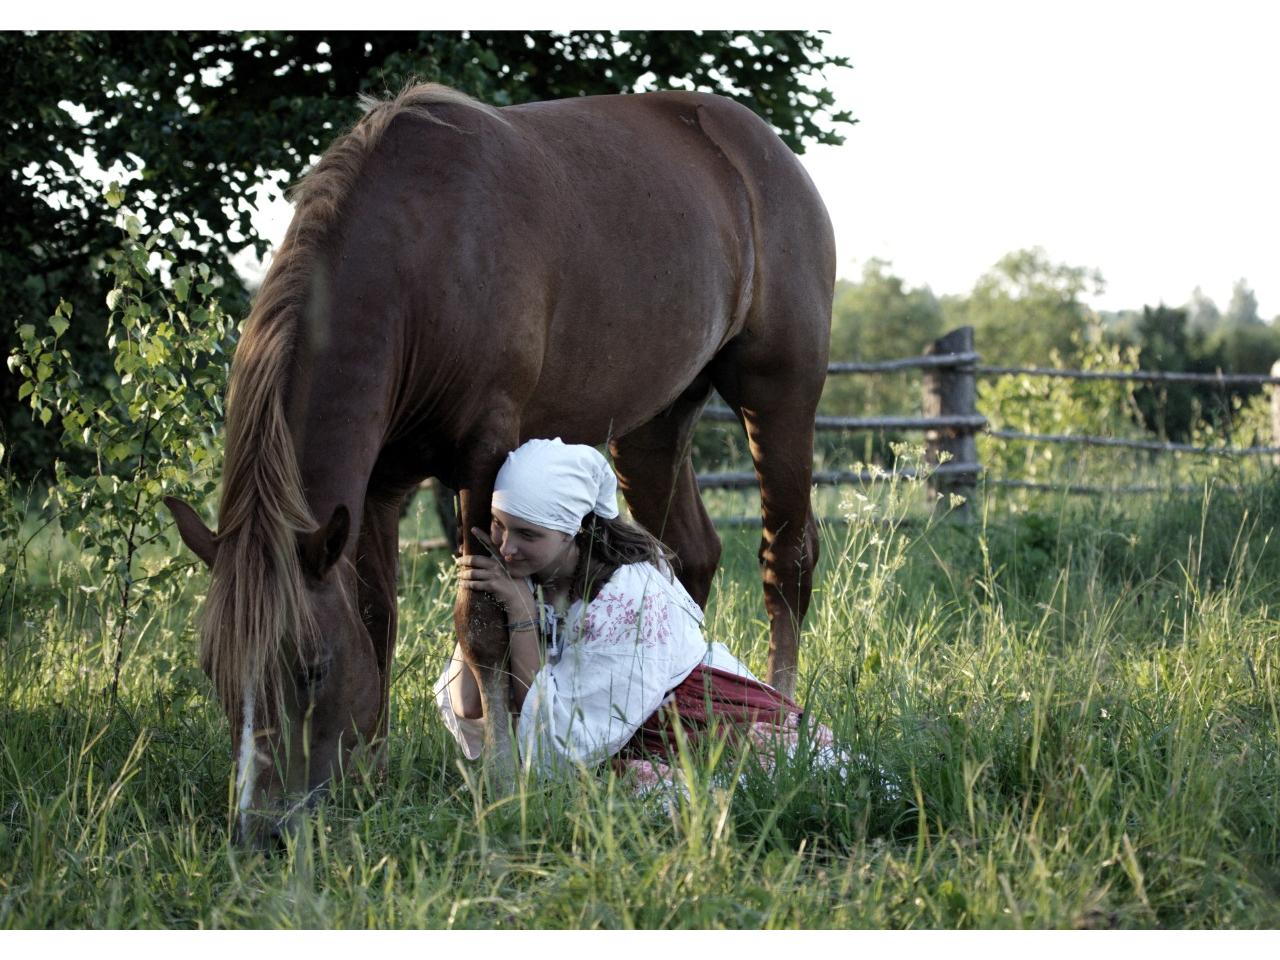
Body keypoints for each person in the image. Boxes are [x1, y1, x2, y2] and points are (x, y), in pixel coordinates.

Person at [433, 438, 833, 786]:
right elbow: (471, 705)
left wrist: (520, 616)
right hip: (614, 736)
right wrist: (483, 604)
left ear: (578, 529)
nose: (506, 548)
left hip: (694, 722)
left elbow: (564, 741)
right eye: (499, 525)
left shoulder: (627, 593)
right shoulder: (525, 574)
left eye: (528, 534)